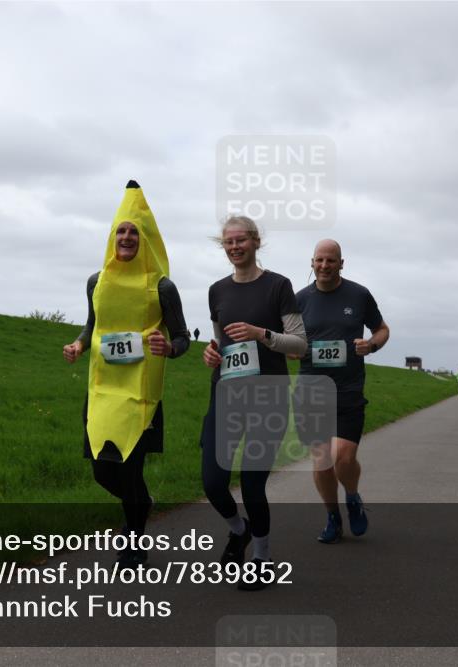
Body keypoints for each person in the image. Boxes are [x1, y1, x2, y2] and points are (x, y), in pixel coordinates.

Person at [63, 180, 189, 569]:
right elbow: (92, 325)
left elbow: (183, 337)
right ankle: (143, 506)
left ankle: (134, 543)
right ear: (112, 237)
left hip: (140, 395)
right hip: (102, 390)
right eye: (121, 230)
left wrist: (168, 347)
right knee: (103, 471)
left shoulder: (162, 287)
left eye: (135, 231)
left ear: (145, 239)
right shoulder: (96, 282)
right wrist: (80, 344)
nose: (127, 236)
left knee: (130, 471)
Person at [199, 215, 306, 591]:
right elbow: (221, 343)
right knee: (212, 482)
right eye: (228, 242)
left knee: (252, 483)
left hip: (267, 396)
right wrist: (212, 354)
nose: (234, 247)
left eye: (241, 240)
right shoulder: (217, 290)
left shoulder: (278, 286)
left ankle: (261, 559)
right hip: (226, 395)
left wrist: (262, 334)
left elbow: (299, 345)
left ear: (255, 242)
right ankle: (238, 530)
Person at [293, 239, 389, 544]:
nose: (324, 266)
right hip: (311, 388)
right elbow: (286, 340)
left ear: (341, 263)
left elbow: (382, 329)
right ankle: (332, 516)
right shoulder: (298, 300)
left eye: (330, 261)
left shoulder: (359, 295)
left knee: (344, 458)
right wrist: (291, 350)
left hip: (348, 388)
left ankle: (352, 496)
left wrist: (371, 345)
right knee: (321, 459)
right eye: (319, 260)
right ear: (311, 262)